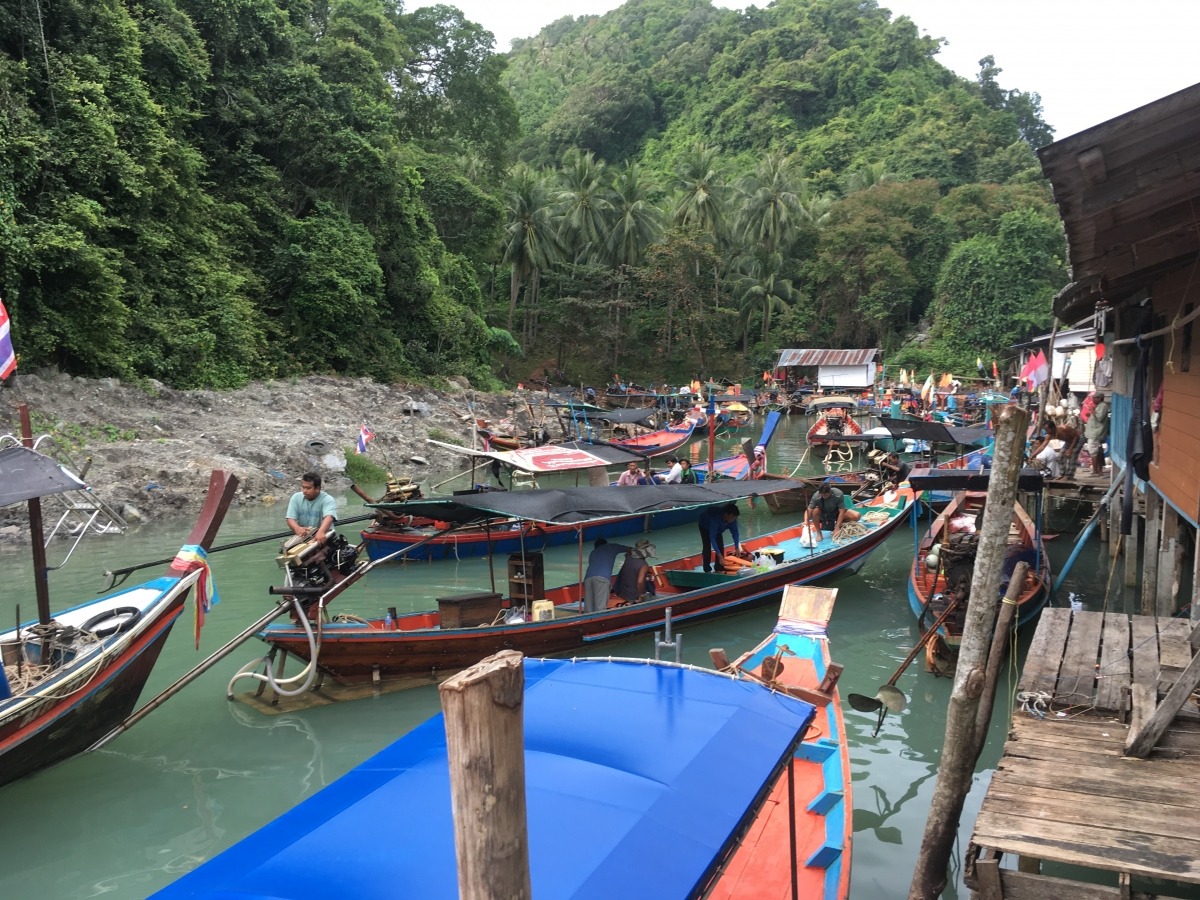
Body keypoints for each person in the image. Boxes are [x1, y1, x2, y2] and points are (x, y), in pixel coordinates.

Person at [286, 472, 337, 545]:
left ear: (317, 488)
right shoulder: (296, 497)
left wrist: (321, 532)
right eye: (303, 487)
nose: (305, 491)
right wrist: (297, 528)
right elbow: (290, 519)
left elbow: (329, 517)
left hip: (324, 536)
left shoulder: (328, 499)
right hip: (304, 538)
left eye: (308, 488)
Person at [583, 538, 632, 612]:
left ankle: (587, 620)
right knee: (600, 607)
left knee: (589, 607)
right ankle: (600, 621)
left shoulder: (593, 552)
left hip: (588, 579)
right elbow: (630, 549)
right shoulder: (611, 547)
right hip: (601, 578)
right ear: (606, 543)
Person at [698, 503, 741, 574]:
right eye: (732, 517)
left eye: (735, 518)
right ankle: (707, 569)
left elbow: (735, 533)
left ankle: (718, 567)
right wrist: (719, 555)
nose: (734, 519)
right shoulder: (715, 519)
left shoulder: (732, 520)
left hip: (719, 528)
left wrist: (737, 547)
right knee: (707, 546)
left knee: (720, 545)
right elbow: (713, 538)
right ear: (726, 515)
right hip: (704, 525)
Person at [613, 539, 657, 604]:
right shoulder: (644, 565)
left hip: (623, 593)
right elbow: (640, 581)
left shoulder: (628, 558)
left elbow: (633, 570)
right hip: (633, 597)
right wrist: (640, 596)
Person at [1084, 392, 1110, 475]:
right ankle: (1098, 470)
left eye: (1095, 398)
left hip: (1096, 433)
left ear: (1100, 398)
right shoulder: (1099, 406)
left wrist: (1092, 410)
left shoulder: (1103, 406)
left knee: (1093, 451)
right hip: (1093, 432)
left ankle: (1095, 471)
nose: (1093, 399)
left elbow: (1099, 417)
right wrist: (1091, 412)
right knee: (1097, 451)